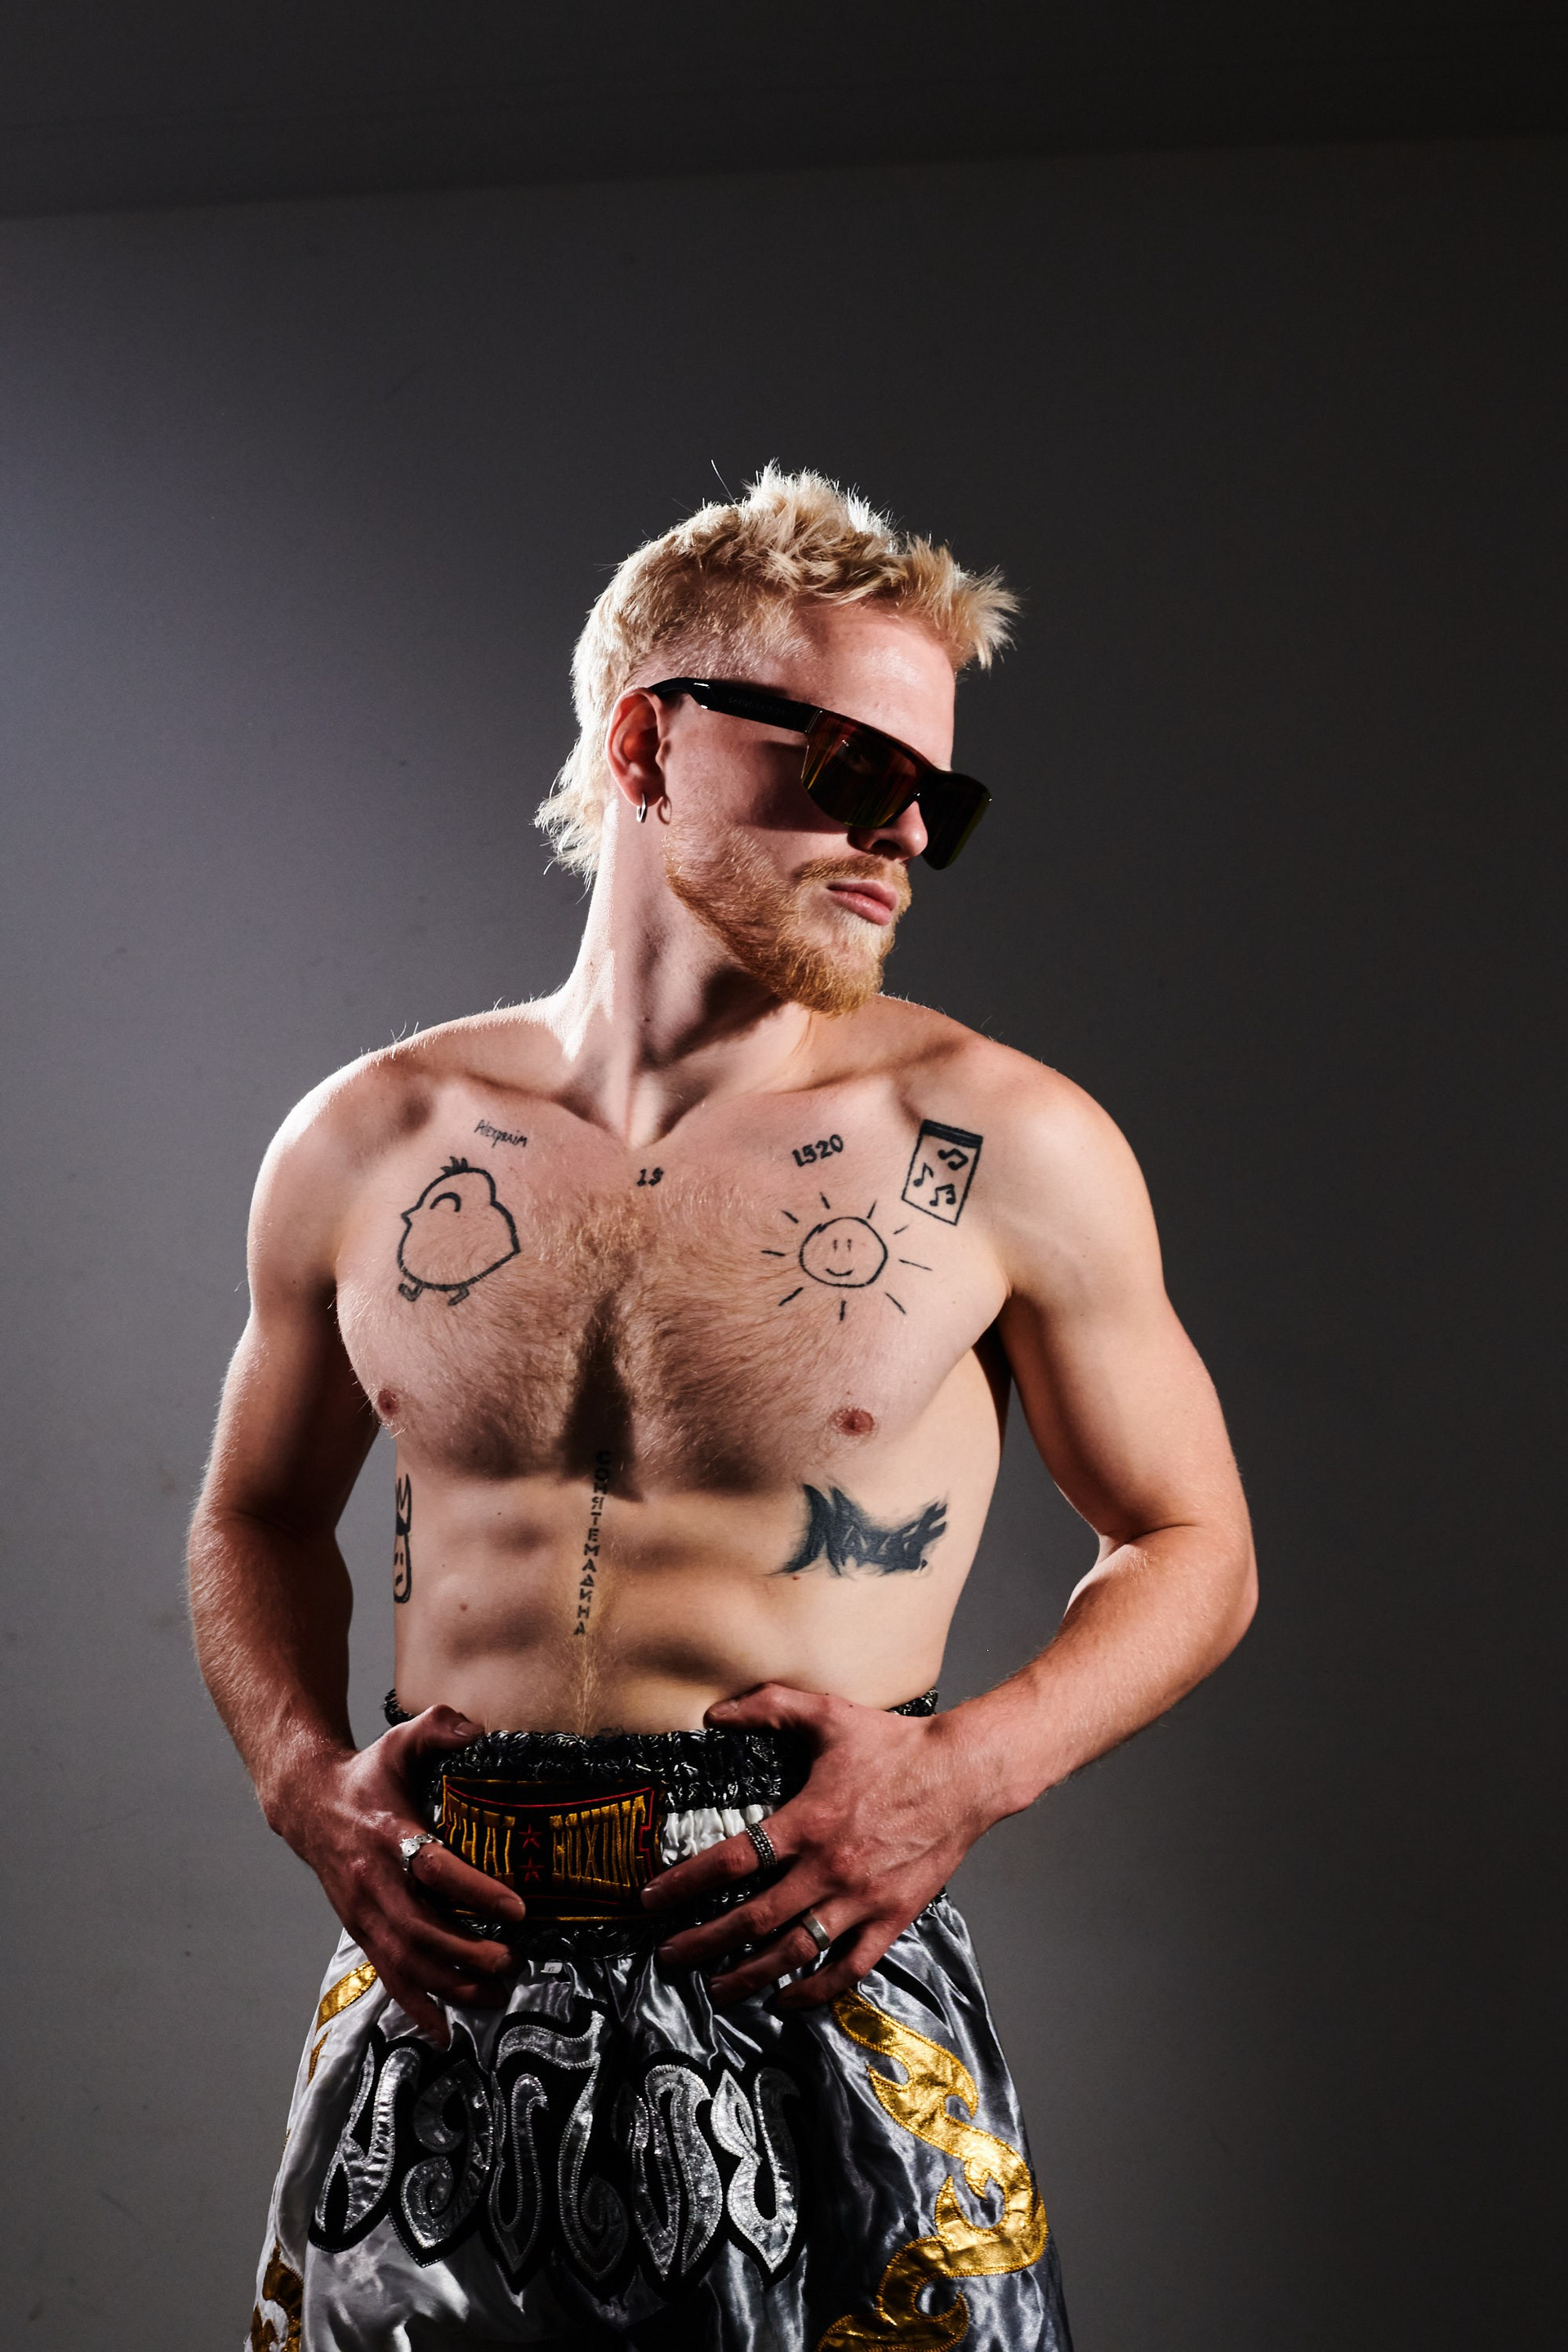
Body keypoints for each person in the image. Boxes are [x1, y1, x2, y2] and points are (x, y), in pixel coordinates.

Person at [191, 466, 1255, 2352]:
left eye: (937, 796)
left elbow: (1198, 1545)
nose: (904, 831)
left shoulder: (1007, 1142)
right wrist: (301, 1783)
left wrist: (964, 1772)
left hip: (801, 1952)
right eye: (852, 768)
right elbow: (256, 1514)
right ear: (647, 743)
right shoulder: (371, 1138)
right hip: (443, 1971)